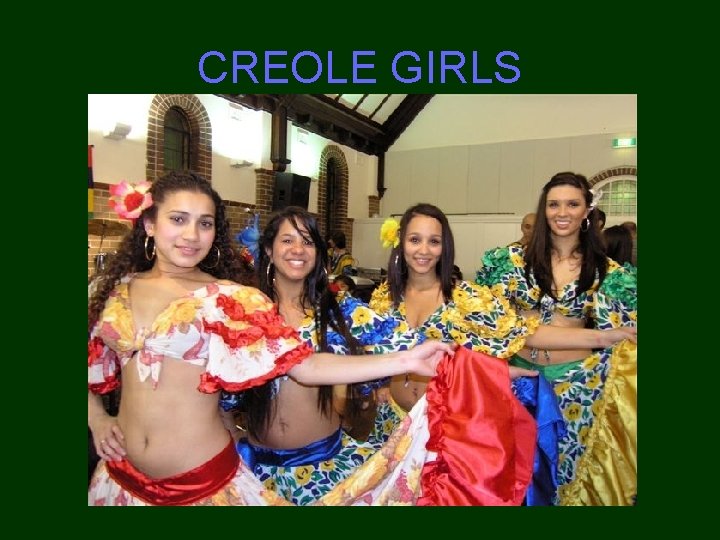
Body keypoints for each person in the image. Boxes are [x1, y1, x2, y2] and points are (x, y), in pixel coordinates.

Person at [87, 172, 452, 506]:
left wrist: (407, 359)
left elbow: (305, 366)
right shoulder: (113, 291)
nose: (192, 235)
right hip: (119, 479)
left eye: (205, 223)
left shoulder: (231, 300)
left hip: (204, 482)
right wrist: (98, 418)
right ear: (149, 223)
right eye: (178, 219)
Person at [369, 203, 636, 504]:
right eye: (415, 239)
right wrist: (379, 384)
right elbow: (372, 352)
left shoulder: (466, 297)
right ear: (401, 242)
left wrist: (602, 336)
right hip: (392, 421)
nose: (424, 250)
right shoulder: (383, 298)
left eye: (434, 241)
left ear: (445, 247)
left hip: (443, 428)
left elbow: (525, 332)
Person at [222, 207, 411, 505]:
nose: (298, 249)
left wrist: (477, 369)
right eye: (287, 240)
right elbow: (216, 392)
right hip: (256, 472)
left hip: (325, 470)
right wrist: (232, 444)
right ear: (269, 249)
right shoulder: (244, 314)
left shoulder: (338, 312)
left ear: (318, 253)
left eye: (308, 242)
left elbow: (405, 342)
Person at [476, 171, 637, 505]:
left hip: (577, 386)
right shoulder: (509, 262)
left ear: (587, 211)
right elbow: (494, 326)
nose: (562, 212)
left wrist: (613, 339)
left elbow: (626, 335)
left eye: (572, 204)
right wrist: (601, 337)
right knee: (514, 474)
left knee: (566, 474)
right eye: (554, 205)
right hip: (518, 383)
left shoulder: (608, 271)